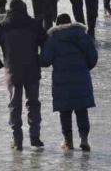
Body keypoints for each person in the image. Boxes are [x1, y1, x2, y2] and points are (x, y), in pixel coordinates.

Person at [0, 0, 47, 151]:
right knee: (33, 103)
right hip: (32, 70)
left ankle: (17, 140)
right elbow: (46, 45)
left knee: (15, 105)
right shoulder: (34, 25)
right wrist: (42, 61)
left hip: (12, 72)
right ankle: (35, 137)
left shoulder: (3, 26)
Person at [40, 13, 97, 151]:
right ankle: (84, 139)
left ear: (57, 25)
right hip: (81, 79)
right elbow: (93, 57)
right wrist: (84, 69)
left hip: (62, 81)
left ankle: (68, 141)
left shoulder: (53, 39)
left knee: (65, 112)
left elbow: (45, 60)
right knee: (81, 110)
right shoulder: (83, 36)